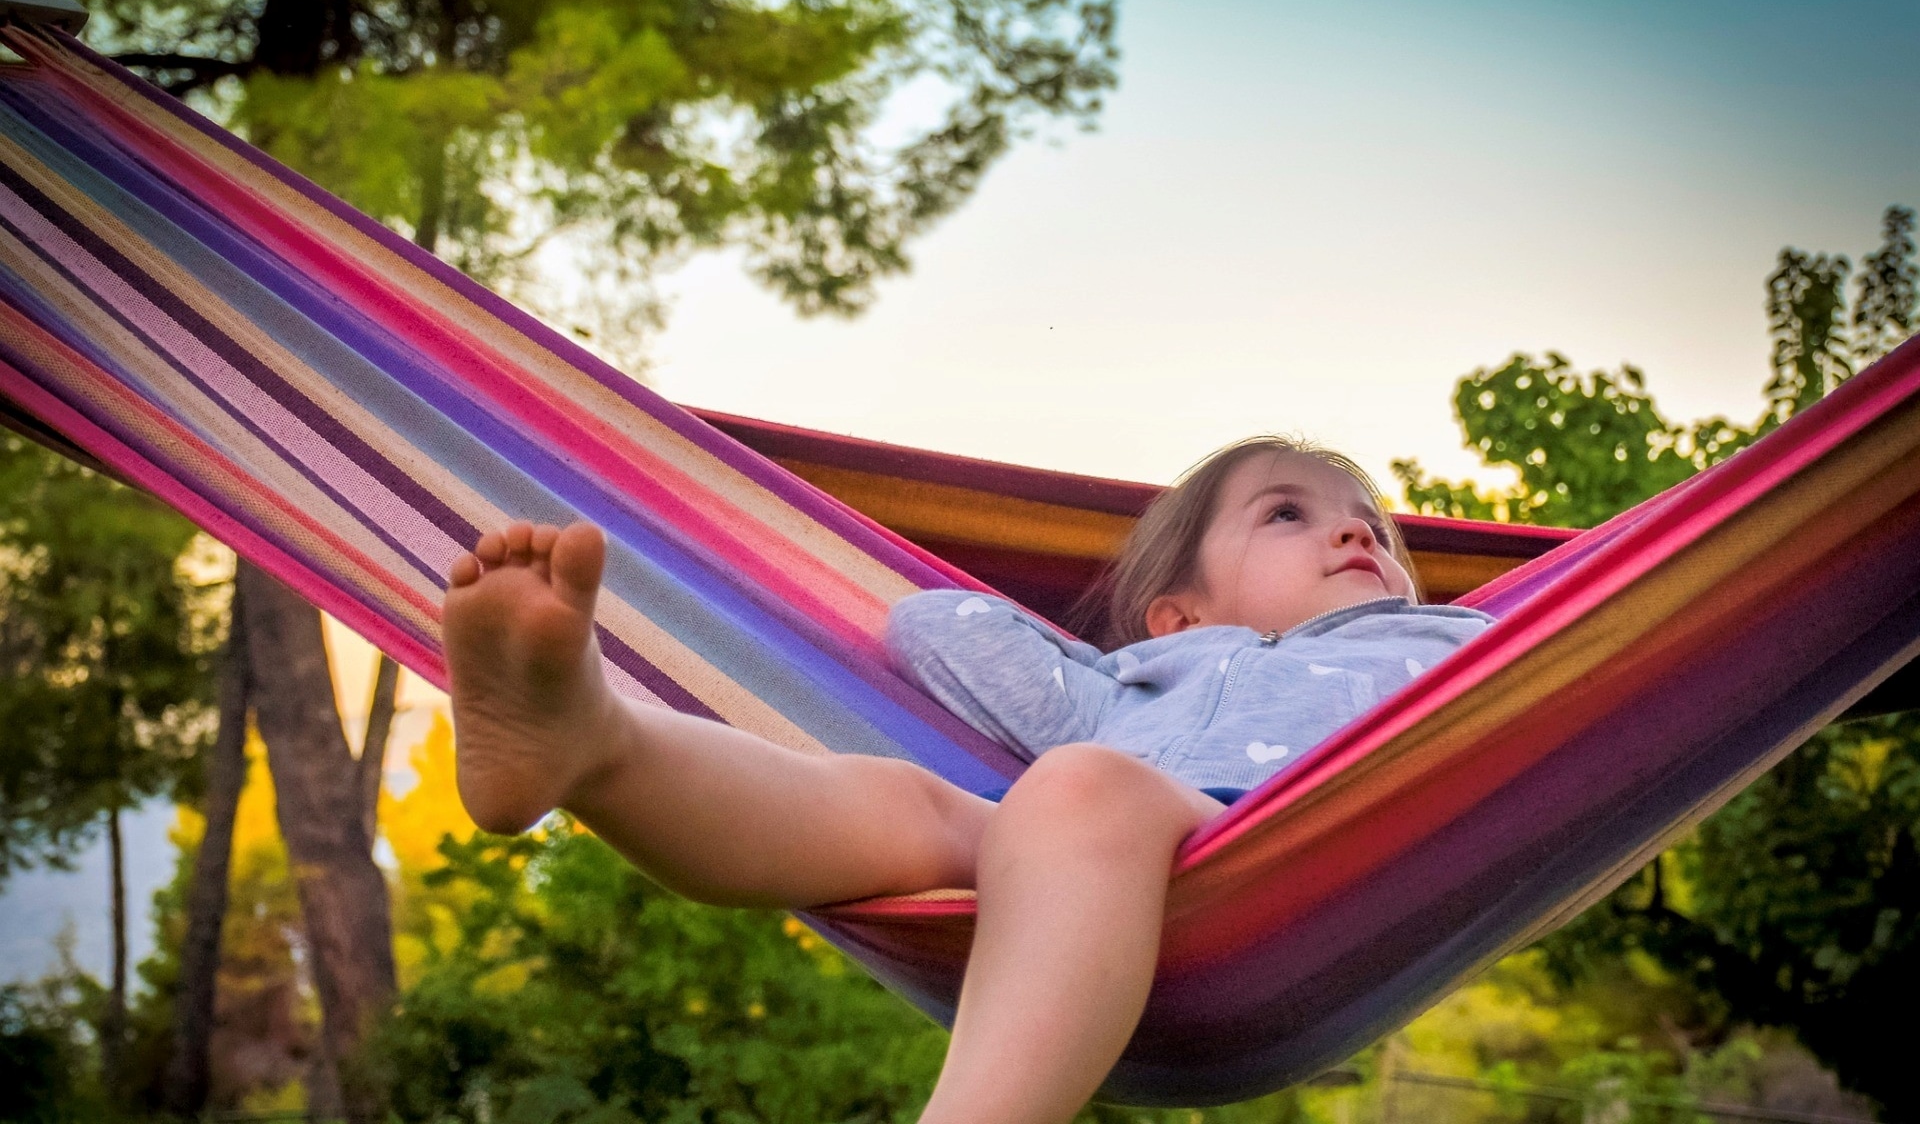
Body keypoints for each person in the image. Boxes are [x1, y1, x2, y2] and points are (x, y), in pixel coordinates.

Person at [441, 435, 1491, 1124]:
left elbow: (1534, 737)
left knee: (1080, 786)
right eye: (1287, 514)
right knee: (919, 800)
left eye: (1374, 525)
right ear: (1176, 610)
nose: (1355, 529)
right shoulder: (1132, 680)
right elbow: (932, 627)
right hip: (1072, 876)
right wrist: (1098, 660)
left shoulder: (1450, 640)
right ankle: (592, 743)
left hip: (1296, 859)